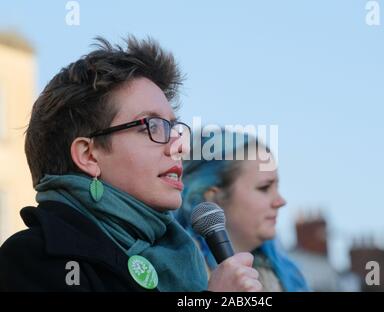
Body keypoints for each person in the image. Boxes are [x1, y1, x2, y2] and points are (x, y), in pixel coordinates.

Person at [0, 36, 261, 292]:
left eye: (173, 126)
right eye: (153, 126)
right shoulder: (31, 259)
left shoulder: (182, 259)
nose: (180, 146)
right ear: (89, 155)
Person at [176, 129, 309, 291]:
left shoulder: (289, 277)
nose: (280, 201)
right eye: (264, 188)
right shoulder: (176, 267)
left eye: (277, 187)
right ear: (213, 197)